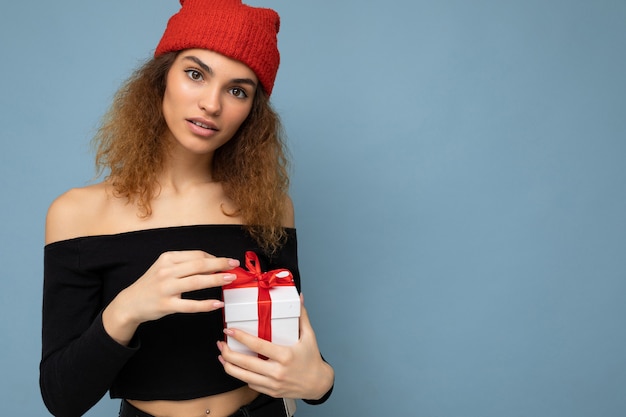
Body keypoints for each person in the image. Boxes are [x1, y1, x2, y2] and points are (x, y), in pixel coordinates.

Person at [39, 1, 334, 416]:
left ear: (252, 111)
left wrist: (321, 382)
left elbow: (295, 348)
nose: (211, 104)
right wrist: (127, 308)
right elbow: (61, 397)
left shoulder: (268, 207)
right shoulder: (77, 213)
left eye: (237, 90)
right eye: (195, 74)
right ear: (160, 81)